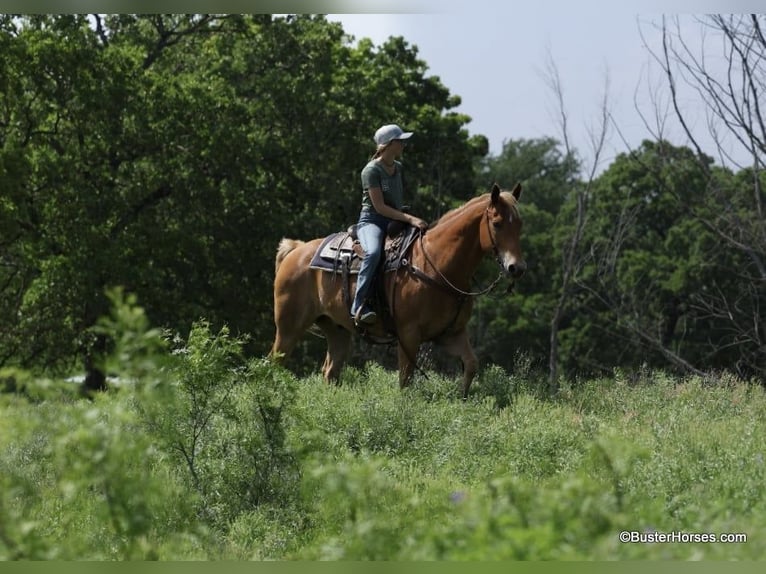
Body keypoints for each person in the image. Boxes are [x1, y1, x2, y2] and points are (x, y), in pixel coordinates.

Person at [350, 124, 429, 325]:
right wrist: (409, 218)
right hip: (372, 220)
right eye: (399, 141)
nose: (403, 144)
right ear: (388, 144)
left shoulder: (398, 167)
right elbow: (380, 207)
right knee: (373, 253)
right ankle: (358, 305)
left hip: (395, 219)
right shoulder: (370, 171)